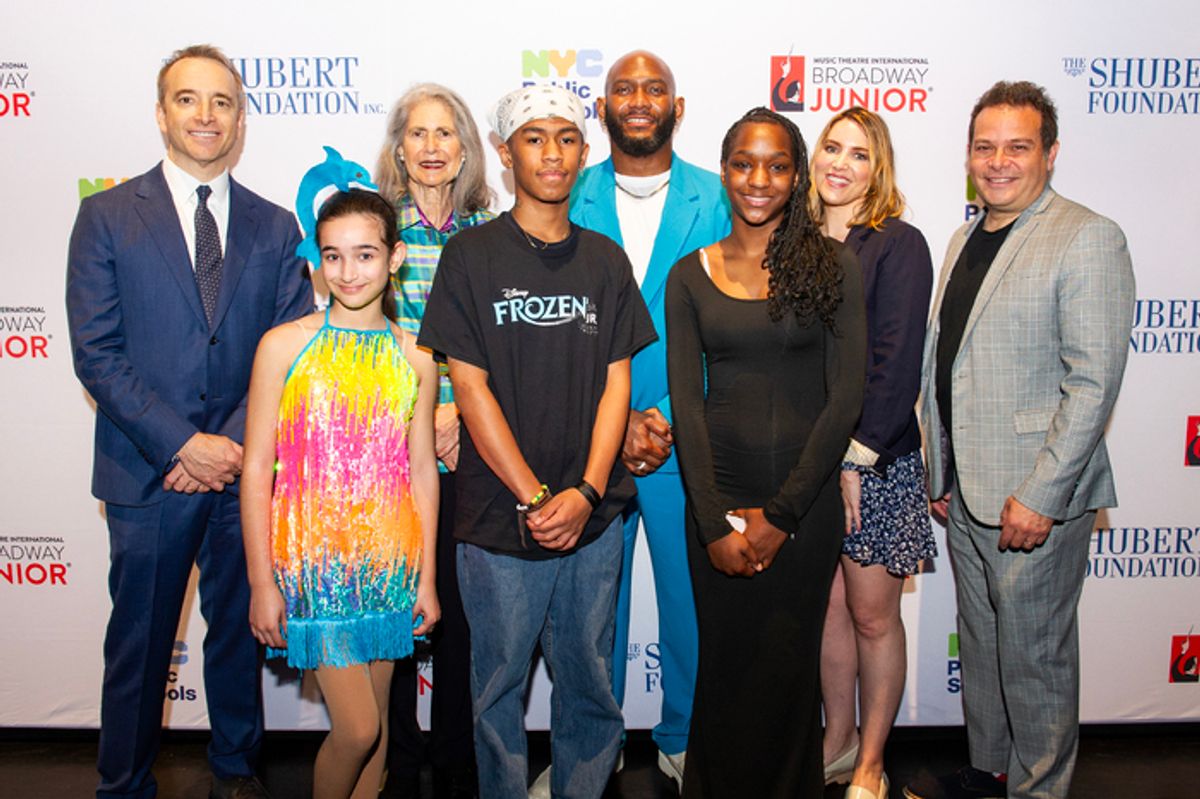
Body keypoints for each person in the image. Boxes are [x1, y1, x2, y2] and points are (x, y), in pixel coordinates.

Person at [65, 44, 313, 799]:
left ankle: (237, 771)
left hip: (243, 476)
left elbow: (290, 348)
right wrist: (182, 444)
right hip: (149, 473)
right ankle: (124, 782)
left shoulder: (276, 229)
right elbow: (97, 352)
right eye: (188, 99)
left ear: (241, 117)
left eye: (222, 101)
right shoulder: (107, 215)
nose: (205, 115)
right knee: (140, 646)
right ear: (162, 111)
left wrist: (230, 446)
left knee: (239, 636)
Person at [418, 85, 656, 799]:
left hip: (593, 518)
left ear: (584, 154)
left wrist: (584, 493)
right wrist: (536, 496)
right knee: (495, 693)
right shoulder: (468, 256)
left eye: (565, 138)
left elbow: (619, 386)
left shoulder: (607, 261)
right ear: (503, 150)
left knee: (590, 685)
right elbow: (470, 387)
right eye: (533, 138)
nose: (550, 153)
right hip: (498, 519)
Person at [904, 81, 1135, 799]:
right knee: (983, 648)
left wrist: (1040, 494)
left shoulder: (1087, 236)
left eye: (1018, 146)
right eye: (984, 146)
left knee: (1034, 658)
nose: (998, 161)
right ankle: (991, 772)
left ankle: (1039, 789)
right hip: (966, 491)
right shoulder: (964, 234)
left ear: (1051, 154)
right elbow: (949, 363)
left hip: (1034, 495)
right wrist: (939, 469)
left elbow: (1092, 384)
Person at [665, 107, 866, 798]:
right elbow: (686, 404)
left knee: (786, 673)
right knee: (724, 667)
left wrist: (780, 516)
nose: (760, 179)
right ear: (724, 171)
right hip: (716, 507)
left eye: (777, 165)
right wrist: (716, 520)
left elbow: (844, 399)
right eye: (745, 163)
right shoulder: (689, 274)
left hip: (802, 513)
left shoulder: (833, 264)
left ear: (796, 175)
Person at [241, 188, 440, 799]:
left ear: (395, 257)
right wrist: (261, 581)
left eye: (364, 255)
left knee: (378, 738)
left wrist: (427, 577)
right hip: (312, 565)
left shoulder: (418, 357)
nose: (348, 272)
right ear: (317, 261)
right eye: (333, 257)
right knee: (356, 730)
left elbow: (423, 471)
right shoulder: (284, 345)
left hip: (391, 564)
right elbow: (256, 470)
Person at [567, 51, 730, 792]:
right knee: (589, 612)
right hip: (586, 438)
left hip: (683, 434)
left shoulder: (720, 197)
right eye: (623, 88)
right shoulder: (567, 192)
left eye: (653, 88)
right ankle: (586, 754)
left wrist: (658, 414)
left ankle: (683, 738)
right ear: (602, 108)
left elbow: (732, 322)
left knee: (689, 605)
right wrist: (616, 417)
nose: (638, 100)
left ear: (679, 104)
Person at [809, 107, 935, 799]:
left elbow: (896, 366)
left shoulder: (898, 244)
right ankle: (837, 738)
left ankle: (871, 764)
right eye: (832, 147)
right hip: (811, 463)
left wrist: (856, 460)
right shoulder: (793, 242)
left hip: (875, 464)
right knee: (827, 610)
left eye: (859, 154)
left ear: (877, 168)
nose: (842, 163)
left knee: (871, 615)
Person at [373, 82, 494, 799]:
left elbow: (498, 341)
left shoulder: (490, 232)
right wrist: (434, 409)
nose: (430, 147)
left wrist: (457, 413)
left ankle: (455, 760)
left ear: (465, 149)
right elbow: (374, 337)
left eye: (444, 133)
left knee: (460, 611)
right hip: (398, 446)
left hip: (472, 448)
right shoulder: (378, 230)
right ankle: (395, 758)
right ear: (399, 149)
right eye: (417, 134)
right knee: (397, 607)